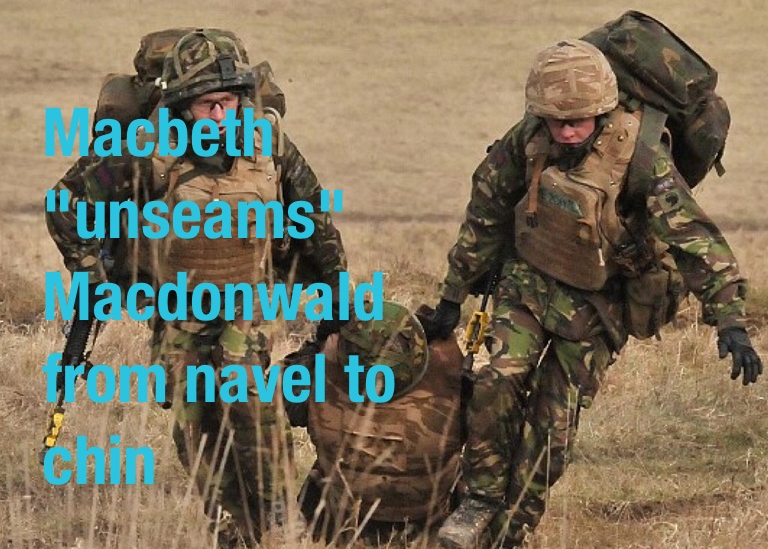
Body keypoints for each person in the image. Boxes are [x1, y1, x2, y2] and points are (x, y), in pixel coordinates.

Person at [419, 39, 763, 548]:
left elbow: (694, 239)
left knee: (552, 426)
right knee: (496, 381)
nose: (566, 131)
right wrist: (453, 297)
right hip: (529, 282)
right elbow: (486, 211)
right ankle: (479, 502)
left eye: (577, 121)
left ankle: (512, 530)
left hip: (599, 305)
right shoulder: (529, 139)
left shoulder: (641, 156)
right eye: (557, 121)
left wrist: (729, 319)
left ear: (602, 110)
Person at [46, 28, 347, 547]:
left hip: (248, 299)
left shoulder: (268, 143)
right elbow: (64, 204)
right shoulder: (145, 151)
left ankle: (279, 521)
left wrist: (337, 289)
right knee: (195, 425)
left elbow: (313, 213)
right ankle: (230, 526)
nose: (221, 115)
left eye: (229, 101)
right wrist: (92, 273)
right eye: (209, 104)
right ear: (183, 106)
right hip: (178, 307)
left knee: (249, 400)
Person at [284, 301, 465, 544]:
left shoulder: (319, 376)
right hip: (426, 523)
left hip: (338, 522)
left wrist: (317, 346)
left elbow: (273, 401)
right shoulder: (451, 383)